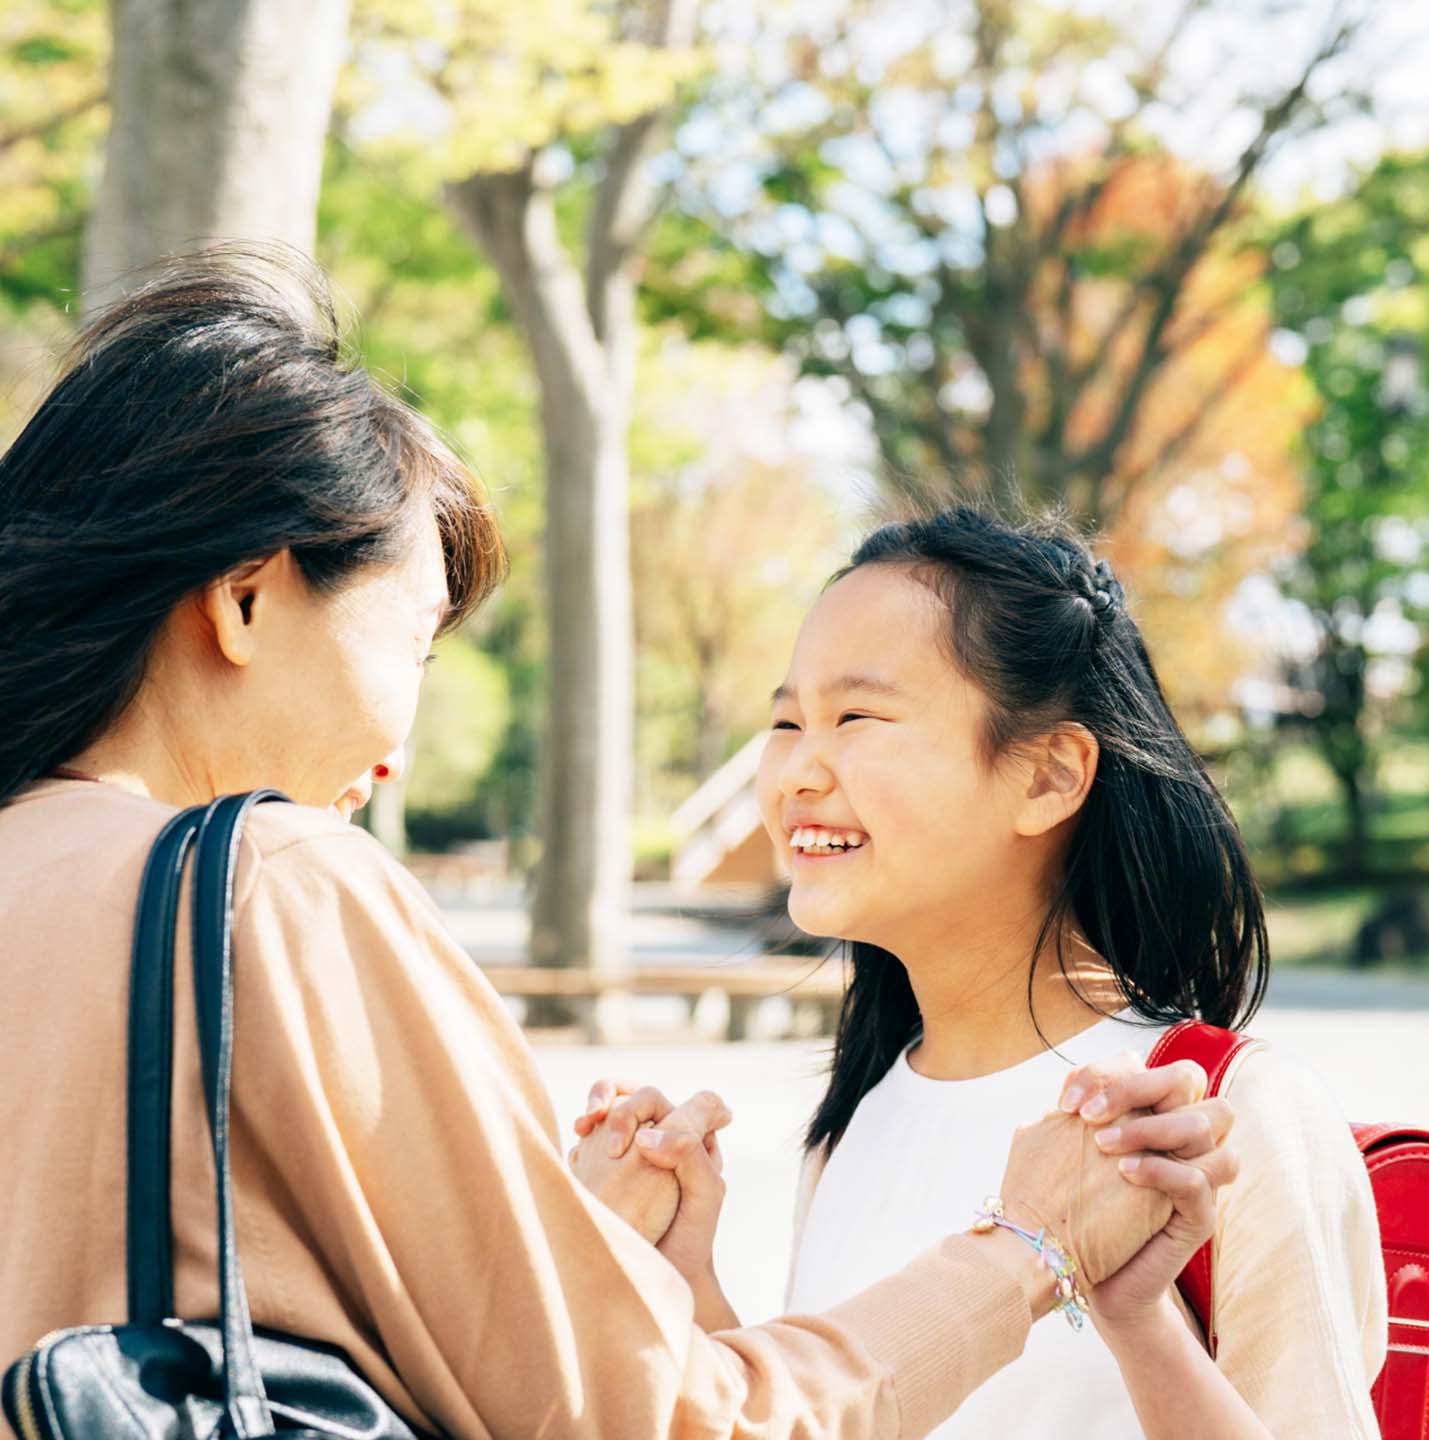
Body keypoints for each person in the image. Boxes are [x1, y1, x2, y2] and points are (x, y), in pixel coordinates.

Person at [0, 247, 1238, 1439]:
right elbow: (675, 1427)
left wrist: (549, 1248)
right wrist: (1028, 1246)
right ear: (247, 596)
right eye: (414, 641)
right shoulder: (270, 888)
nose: (404, 735)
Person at [582, 507, 1388, 1438]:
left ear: (1048, 777)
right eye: (785, 719)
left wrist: (1136, 1318)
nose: (797, 769)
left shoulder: (1214, 1114)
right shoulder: (855, 1118)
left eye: (855, 716)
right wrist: (684, 1278)